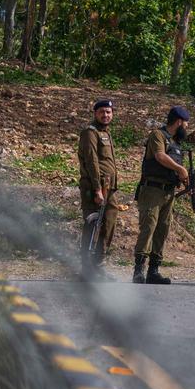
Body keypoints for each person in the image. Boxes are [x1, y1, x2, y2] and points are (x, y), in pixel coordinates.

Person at [133, 106, 191, 284]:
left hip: (168, 192)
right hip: (152, 190)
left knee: (162, 230)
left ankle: (154, 270)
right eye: (186, 124)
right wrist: (180, 169)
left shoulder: (175, 143)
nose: (186, 128)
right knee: (148, 227)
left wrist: (183, 179)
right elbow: (159, 157)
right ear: (179, 122)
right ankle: (139, 270)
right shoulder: (158, 135)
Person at [77, 99, 119, 279]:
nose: (105, 115)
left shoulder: (106, 133)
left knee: (108, 224)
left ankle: (98, 265)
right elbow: (92, 161)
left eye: (108, 112)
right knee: (93, 225)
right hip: (97, 187)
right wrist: (97, 189)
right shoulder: (90, 132)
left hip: (109, 187)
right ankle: (86, 270)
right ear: (95, 113)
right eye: (102, 111)